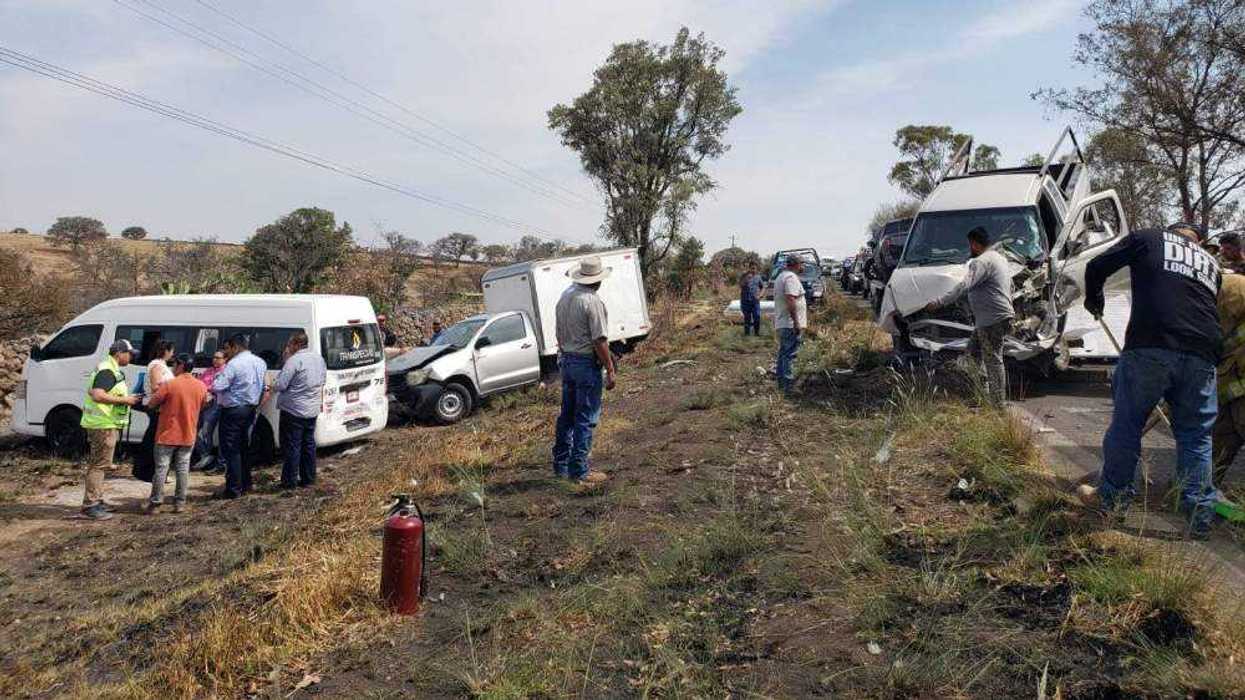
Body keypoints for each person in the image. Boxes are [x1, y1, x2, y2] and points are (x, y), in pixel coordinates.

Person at [1077, 222, 1221, 539]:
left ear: (1173, 230)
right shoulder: (1211, 264)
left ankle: (1113, 503)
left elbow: (1095, 265)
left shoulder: (1149, 237)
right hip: (1203, 353)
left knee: (1127, 425)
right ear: (1197, 240)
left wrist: (1094, 298)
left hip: (1151, 345)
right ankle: (1199, 518)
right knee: (1196, 437)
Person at [923, 226, 1015, 405]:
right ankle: (981, 395)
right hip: (992, 319)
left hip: (992, 320)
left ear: (974, 243)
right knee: (972, 357)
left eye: (969, 245)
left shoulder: (981, 262)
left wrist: (939, 302)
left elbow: (964, 285)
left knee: (993, 361)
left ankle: (997, 405)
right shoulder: (999, 258)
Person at [552, 257, 616, 485]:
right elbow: (599, 340)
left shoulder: (565, 297)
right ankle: (579, 471)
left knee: (567, 416)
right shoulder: (592, 301)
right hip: (585, 364)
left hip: (567, 361)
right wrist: (610, 368)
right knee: (585, 417)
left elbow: (558, 334)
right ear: (596, 280)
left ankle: (561, 466)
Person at [78, 340, 142, 520]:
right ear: (119, 353)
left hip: (103, 423)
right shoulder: (108, 370)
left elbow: (95, 392)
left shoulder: (109, 368)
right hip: (102, 425)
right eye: (129, 354)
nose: (131, 357)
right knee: (99, 465)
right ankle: (90, 505)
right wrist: (126, 401)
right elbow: (98, 395)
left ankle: (96, 501)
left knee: (100, 464)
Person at [145, 354, 209, 514]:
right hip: (188, 434)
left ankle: (155, 504)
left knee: (161, 468)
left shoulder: (170, 385)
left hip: (167, 433)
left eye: (174, 365)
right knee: (182, 469)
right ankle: (179, 503)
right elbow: (203, 405)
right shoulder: (201, 386)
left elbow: (152, 403)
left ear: (180, 366)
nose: (172, 367)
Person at [212, 333, 268, 499]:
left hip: (233, 410)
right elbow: (264, 385)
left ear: (235, 347)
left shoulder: (233, 364)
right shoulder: (260, 362)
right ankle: (246, 484)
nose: (226, 352)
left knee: (231, 450)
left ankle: (233, 489)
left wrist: (216, 379)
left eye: (228, 348)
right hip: (250, 409)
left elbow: (218, 386)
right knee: (243, 447)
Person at [270, 332, 326, 489]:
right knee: (308, 445)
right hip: (311, 409)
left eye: (290, 344)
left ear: (295, 344)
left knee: (292, 446)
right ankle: (308, 479)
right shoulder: (318, 359)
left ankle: (289, 481)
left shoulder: (294, 361)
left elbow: (281, 384)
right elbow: (322, 380)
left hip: (293, 410)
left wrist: (271, 383)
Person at [1211, 271, 1245, 486]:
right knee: (1222, 437)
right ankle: (1198, 487)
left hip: (1237, 384)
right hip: (1229, 385)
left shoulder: (1232, 287)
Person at [136, 340, 176, 481]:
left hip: (162, 406)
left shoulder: (161, 365)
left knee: (156, 438)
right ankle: (149, 472)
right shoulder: (157, 366)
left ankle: (154, 471)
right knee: (155, 439)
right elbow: (155, 387)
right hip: (156, 406)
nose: (172, 354)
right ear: (166, 351)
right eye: (171, 350)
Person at [773, 254, 807, 393]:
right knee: (790, 355)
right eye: (802, 263)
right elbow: (791, 299)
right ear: (796, 264)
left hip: (784, 322)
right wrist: (796, 322)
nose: (803, 266)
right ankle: (788, 387)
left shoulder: (781, 276)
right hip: (789, 323)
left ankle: (782, 385)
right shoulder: (791, 278)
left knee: (784, 353)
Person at [193, 350, 227, 472]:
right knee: (194, 430)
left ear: (225, 359)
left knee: (206, 430)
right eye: (214, 357)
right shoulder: (209, 370)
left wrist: (208, 389)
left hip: (215, 404)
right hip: (203, 403)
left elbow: (218, 387)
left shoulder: (225, 371)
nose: (215, 360)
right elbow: (199, 384)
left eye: (218, 358)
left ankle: (207, 456)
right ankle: (205, 455)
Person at [739, 266, 763, 337]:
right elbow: (741, 285)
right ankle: (747, 335)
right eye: (752, 268)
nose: (753, 270)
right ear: (749, 268)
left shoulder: (758, 277)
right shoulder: (744, 276)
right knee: (747, 318)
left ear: (756, 269)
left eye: (754, 268)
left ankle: (757, 334)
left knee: (757, 317)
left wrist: (760, 295)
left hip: (755, 301)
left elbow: (763, 287)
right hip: (745, 301)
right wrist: (747, 279)